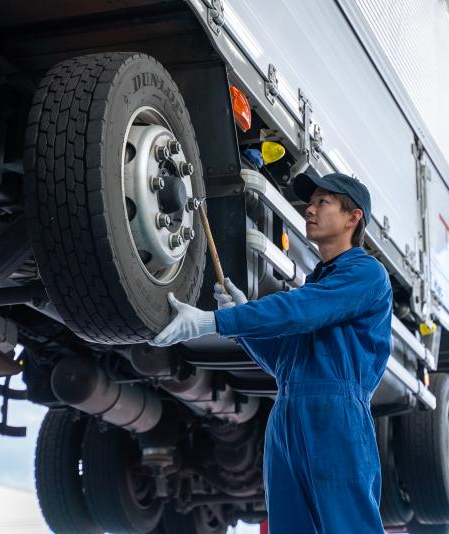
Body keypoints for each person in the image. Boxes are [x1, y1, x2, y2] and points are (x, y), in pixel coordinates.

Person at [150, 172, 393, 533]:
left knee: (346, 525)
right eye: (310, 203)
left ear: (353, 217)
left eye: (322, 202)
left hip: (336, 416)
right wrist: (243, 316)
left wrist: (217, 321)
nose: (309, 209)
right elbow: (283, 362)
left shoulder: (365, 274)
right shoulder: (320, 281)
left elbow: (300, 309)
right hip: (288, 413)